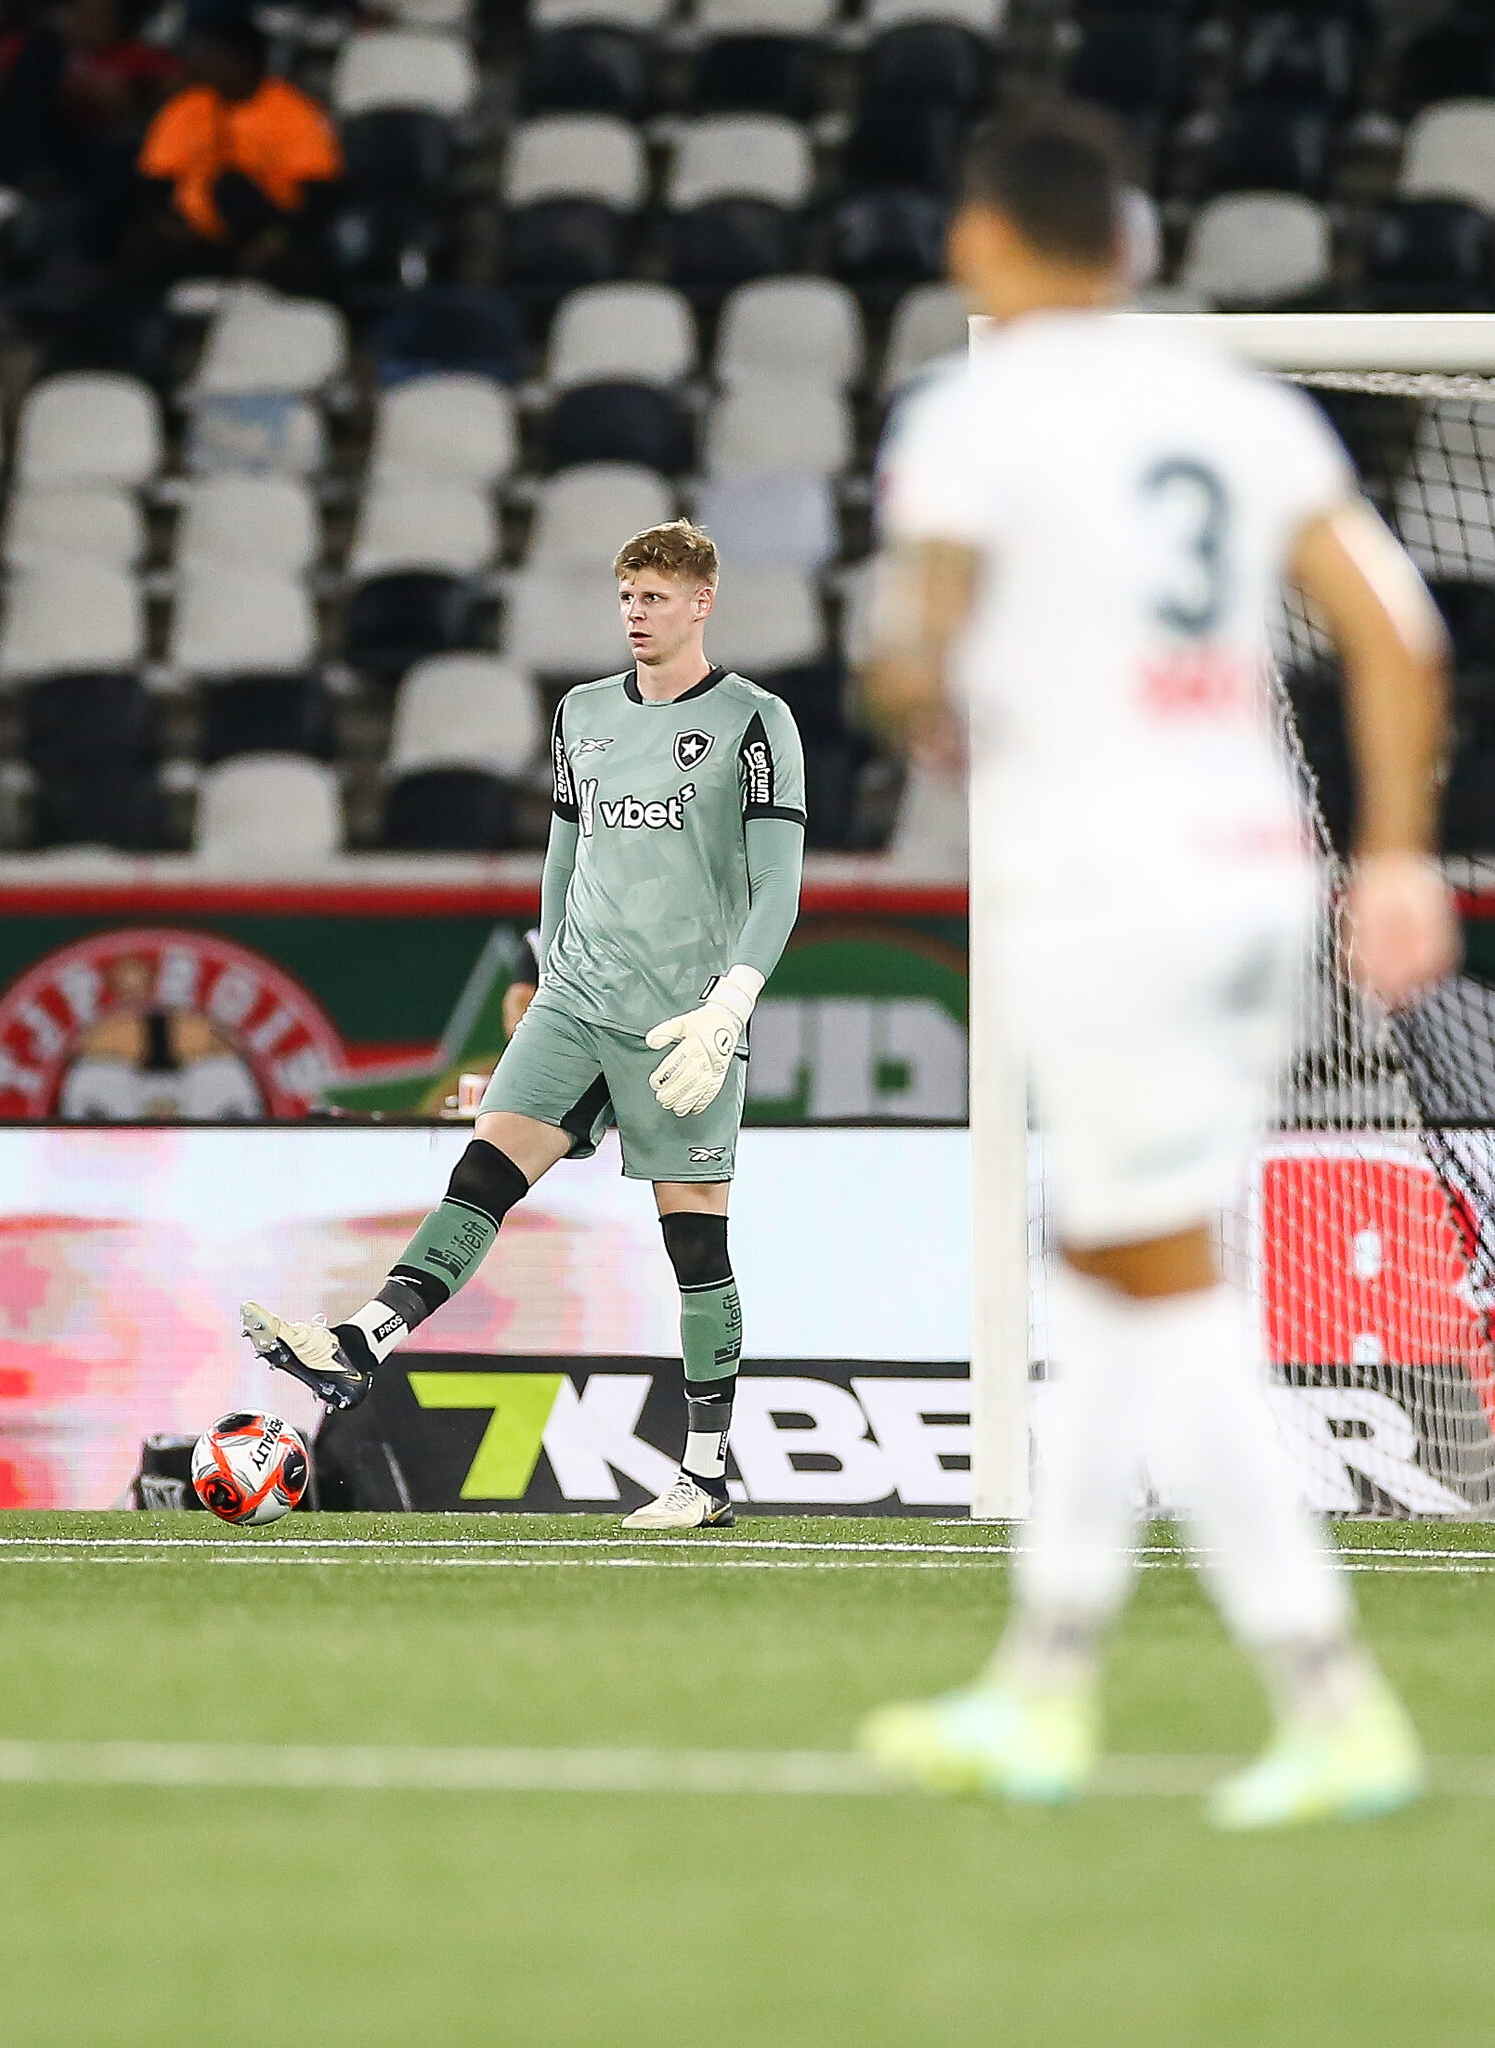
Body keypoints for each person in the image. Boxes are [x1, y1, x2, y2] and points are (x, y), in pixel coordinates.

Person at [858, 101, 1459, 1828]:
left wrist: (918, 683)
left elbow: (925, 641)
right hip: (1255, 877)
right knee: (1120, 1258)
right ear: (1124, 247)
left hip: (1104, 885)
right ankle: (1040, 1681)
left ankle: (1329, 1692)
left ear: (981, 243)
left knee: (1155, 1271)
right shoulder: (1226, 402)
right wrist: (1401, 850)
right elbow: (1395, 630)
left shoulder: (971, 413)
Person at [243, 521, 807, 1532]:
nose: (636, 613)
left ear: (702, 602)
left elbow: (778, 884)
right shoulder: (582, 713)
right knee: (484, 1172)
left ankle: (705, 1474)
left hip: (683, 1020)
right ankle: (360, 1344)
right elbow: (562, 854)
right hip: (576, 1002)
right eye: (627, 594)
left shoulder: (755, 722)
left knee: (696, 1244)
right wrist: (550, 969)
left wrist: (731, 1004)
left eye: (655, 596)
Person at [131, 20, 339, 286]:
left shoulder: (294, 111)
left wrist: (277, 240)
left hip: (270, 232)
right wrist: (171, 227)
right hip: (195, 234)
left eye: (218, 56)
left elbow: (319, 193)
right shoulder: (184, 109)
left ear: (246, 60)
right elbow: (155, 184)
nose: (207, 64)